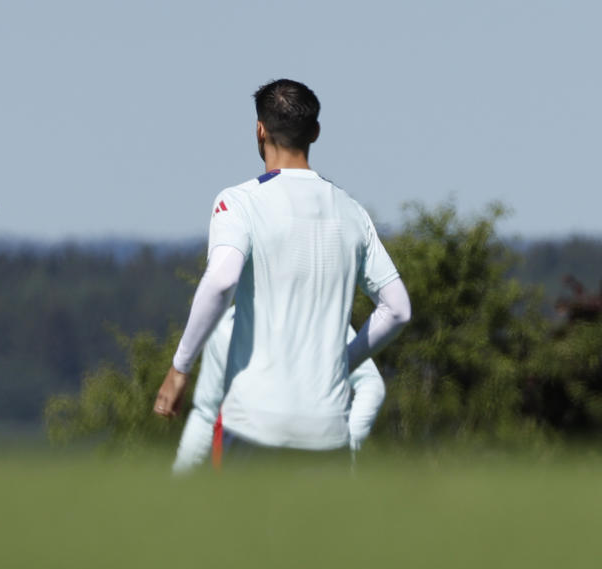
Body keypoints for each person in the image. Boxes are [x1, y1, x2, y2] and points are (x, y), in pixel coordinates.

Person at [153, 79, 412, 464]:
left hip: (255, 425)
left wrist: (180, 368)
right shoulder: (352, 211)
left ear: (259, 129)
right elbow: (398, 309)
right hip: (329, 432)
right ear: (315, 133)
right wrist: (343, 362)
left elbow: (222, 280)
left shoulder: (239, 202)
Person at [172, 303, 387, 474]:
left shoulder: (321, 317)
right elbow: (206, 413)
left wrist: (346, 444)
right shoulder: (225, 326)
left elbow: (370, 384)